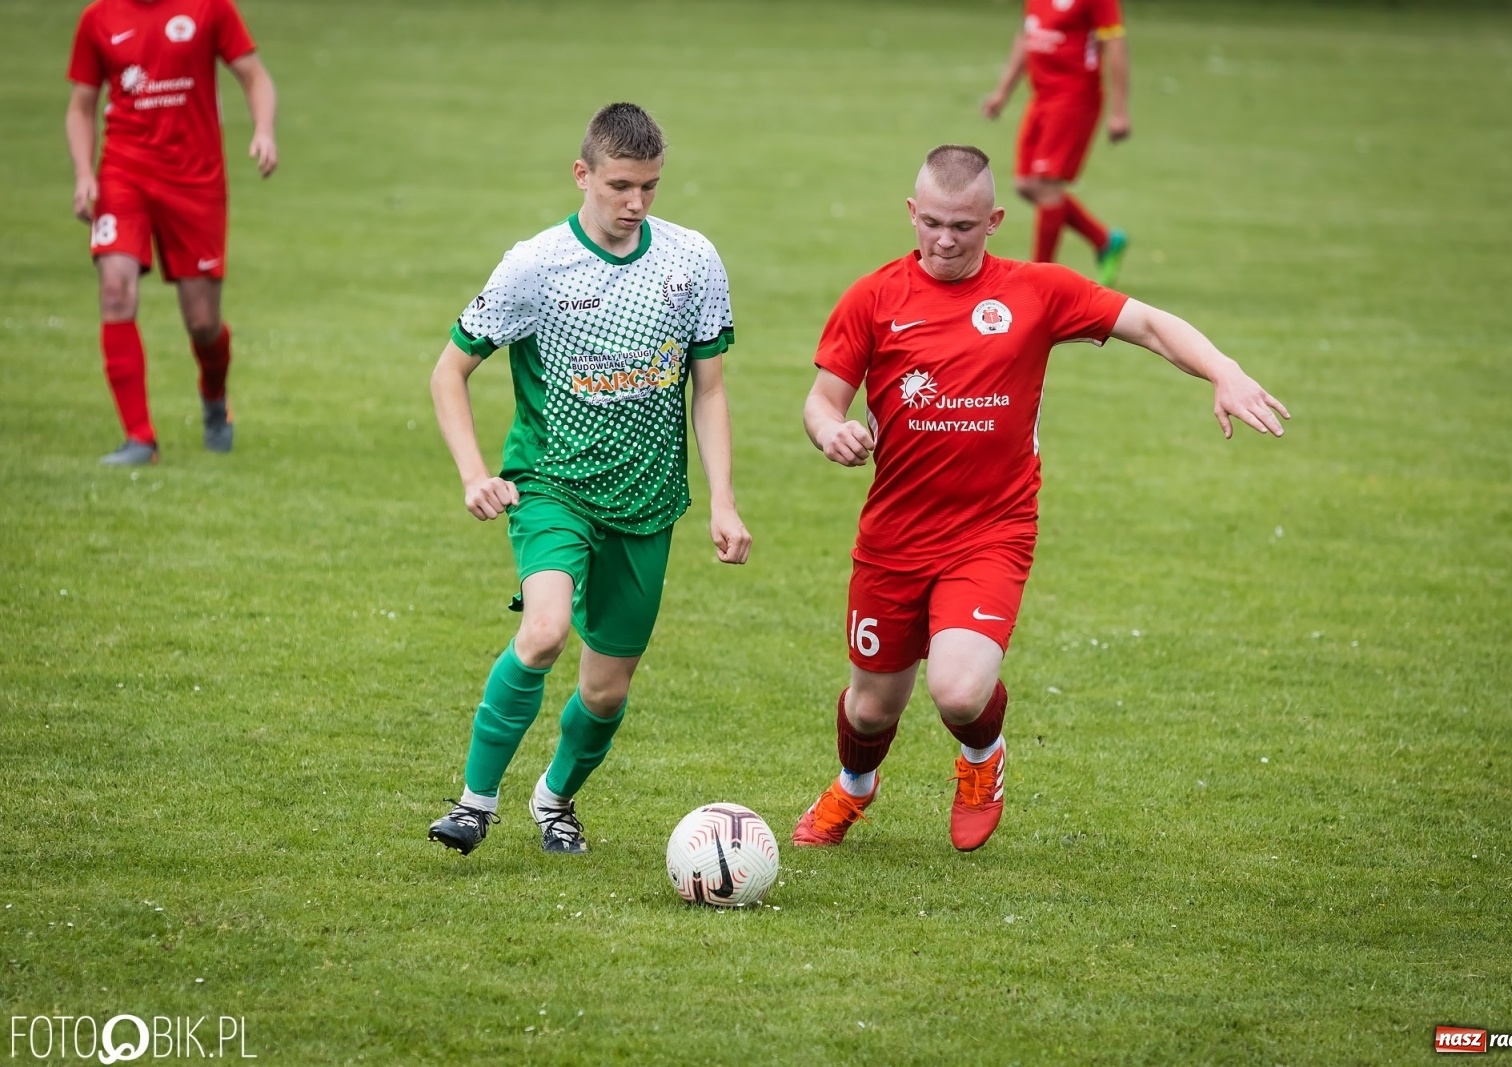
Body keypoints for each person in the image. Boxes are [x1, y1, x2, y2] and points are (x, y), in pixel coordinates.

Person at [794, 145, 1286, 852]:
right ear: (911, 212)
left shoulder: (1035, 291)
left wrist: (1222, 370)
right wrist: (830, 431)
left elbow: (1146, 323)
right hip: (894, 534)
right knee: (870, 710)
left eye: (963, 226)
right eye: (931, 222)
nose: (943, 239)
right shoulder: (873, 297)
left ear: (994, 220)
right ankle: (855, 785)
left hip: (991, 531)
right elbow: (821, 398)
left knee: (958, 690)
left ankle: (980, 759)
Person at [427, 103, 752, 857]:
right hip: (552, 485)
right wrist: (475, 473)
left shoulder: (692, 260)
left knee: (606, 690)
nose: (635, 203)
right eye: (619, 185)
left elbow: (709, 389)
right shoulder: (535, 265)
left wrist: (724, 502)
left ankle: (554, 800)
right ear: (583, 175)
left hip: (647, 501)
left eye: (650, 186)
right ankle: (475, 803)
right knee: (543, 632)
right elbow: (450, 372)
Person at [66, 0, 278, 465]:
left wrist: (263, 130)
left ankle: (214, 398)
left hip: (195, 181)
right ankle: (140, 438)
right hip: (124, 174)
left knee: (202, 323)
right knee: (115, 290)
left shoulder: (209, 8)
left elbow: (255, 76)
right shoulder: (97, 18)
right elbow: (81, 106)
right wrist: (85, 173)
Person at [981, 0, 1130, 285]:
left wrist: (1119, 110)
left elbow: (1115, 44)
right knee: (1025, 184)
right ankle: (1104, 240)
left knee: (1046, 186)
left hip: (1074, 98)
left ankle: (1038, 278)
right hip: (1041, 98)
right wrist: (1002, 93)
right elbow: (1027, 36)